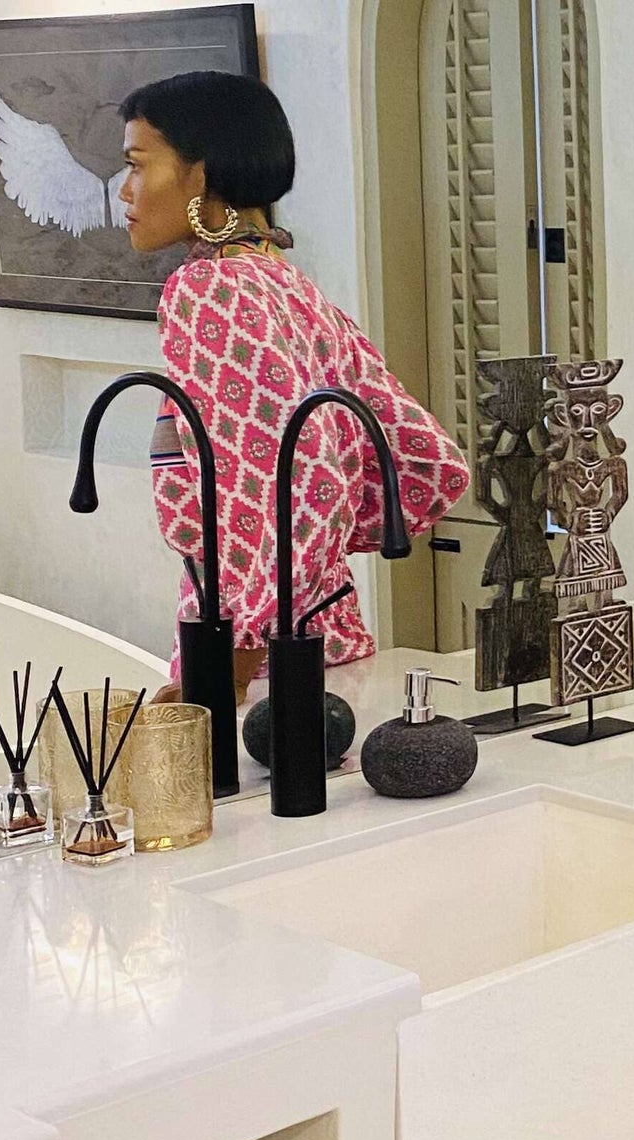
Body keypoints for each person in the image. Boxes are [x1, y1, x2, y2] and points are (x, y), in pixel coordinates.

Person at [115, 71, 470, 701]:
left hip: (257, 670)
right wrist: (316, 566)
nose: (125, 190)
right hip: (330, 642)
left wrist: (235, 660)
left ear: (201, 174)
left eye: (138, 164)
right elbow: (428, 463)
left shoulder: (209, 291)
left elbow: (292, 489)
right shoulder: (288, 284)